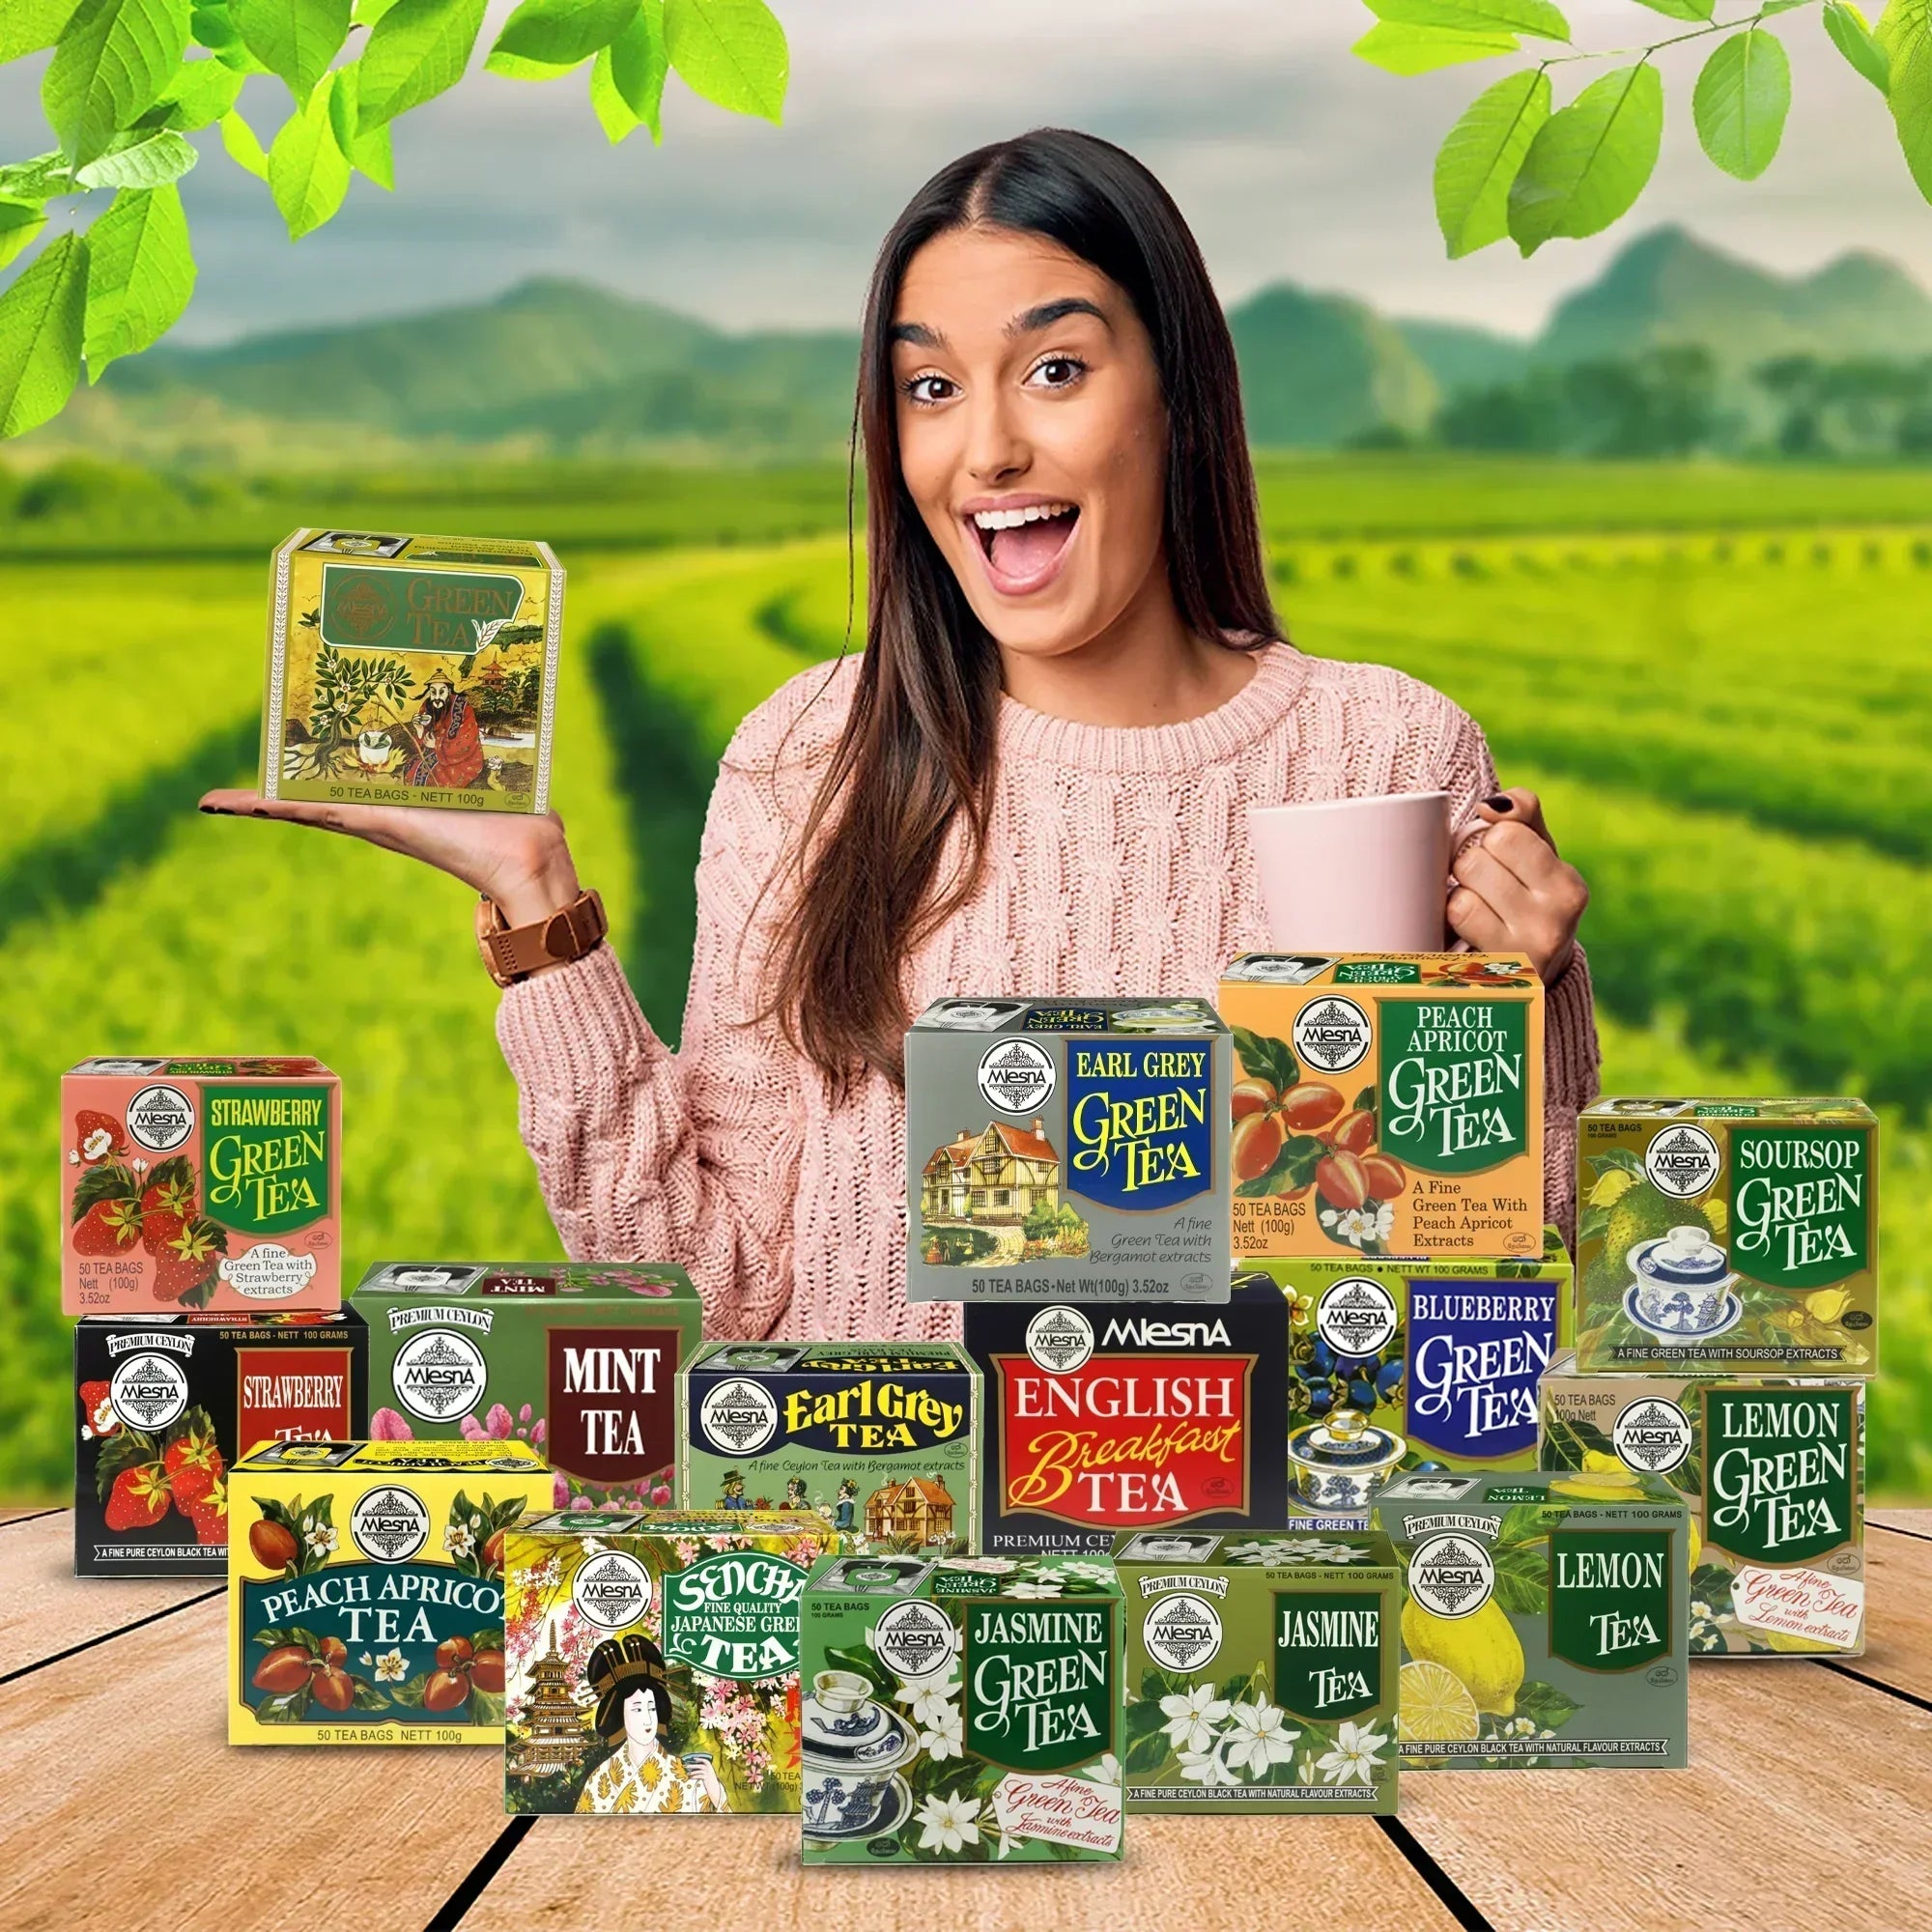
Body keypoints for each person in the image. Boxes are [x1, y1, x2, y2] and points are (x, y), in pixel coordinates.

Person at [204, 128, 1596, 1343]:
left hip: (1226, 1586)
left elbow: (1476, 1311)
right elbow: (715, 1297)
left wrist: (1522, 1009)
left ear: (1177, 398)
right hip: (877, 1569)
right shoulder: (809, 754)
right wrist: (539, 914)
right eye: (931, 388)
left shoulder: (1388, 752)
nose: (982, 450)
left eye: (1054, 369)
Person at [575, 1634, 726, 1814]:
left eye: (652, 1709)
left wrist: (716, 1793)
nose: (647, 1719)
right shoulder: (600, 1780)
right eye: (637, 1709)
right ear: (620, 1714)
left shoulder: (688, 1776)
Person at [403, 671, 487, 790]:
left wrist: (436, 745)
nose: (437, 697)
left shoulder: (462, 708)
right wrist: (420, 730)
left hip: (462, 759)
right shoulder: (427, 706)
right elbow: (420, 746)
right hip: (436, 753)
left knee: (432, 779)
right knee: (412, 767)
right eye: (433, 692)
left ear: (449, 691)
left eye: (441, 692)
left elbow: (466, 742)